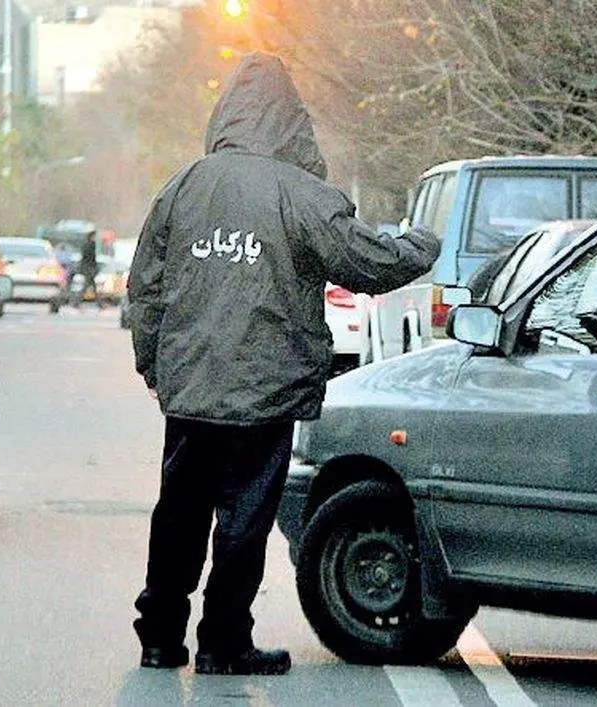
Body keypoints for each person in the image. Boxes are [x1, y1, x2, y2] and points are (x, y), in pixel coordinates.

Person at [126, 52, 440, 676]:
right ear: (290, 121)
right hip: (263, 388)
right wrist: (425, 242)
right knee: (242, 519)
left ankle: (160, 636)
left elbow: (146, 288)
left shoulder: (184, 185)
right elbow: (367, 262)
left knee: (178, 511)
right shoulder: (299, 194)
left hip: (191, 389)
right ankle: (223, 642)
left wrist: (157, 368)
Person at [74, 230, 99, 307]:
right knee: (87, 286)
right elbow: (91, 258)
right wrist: (94, 267)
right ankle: (76, 302)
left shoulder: (85, 245)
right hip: (89, 268)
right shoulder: (91, 245)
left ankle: (99, 303)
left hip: (86, 268)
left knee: (91, 286)